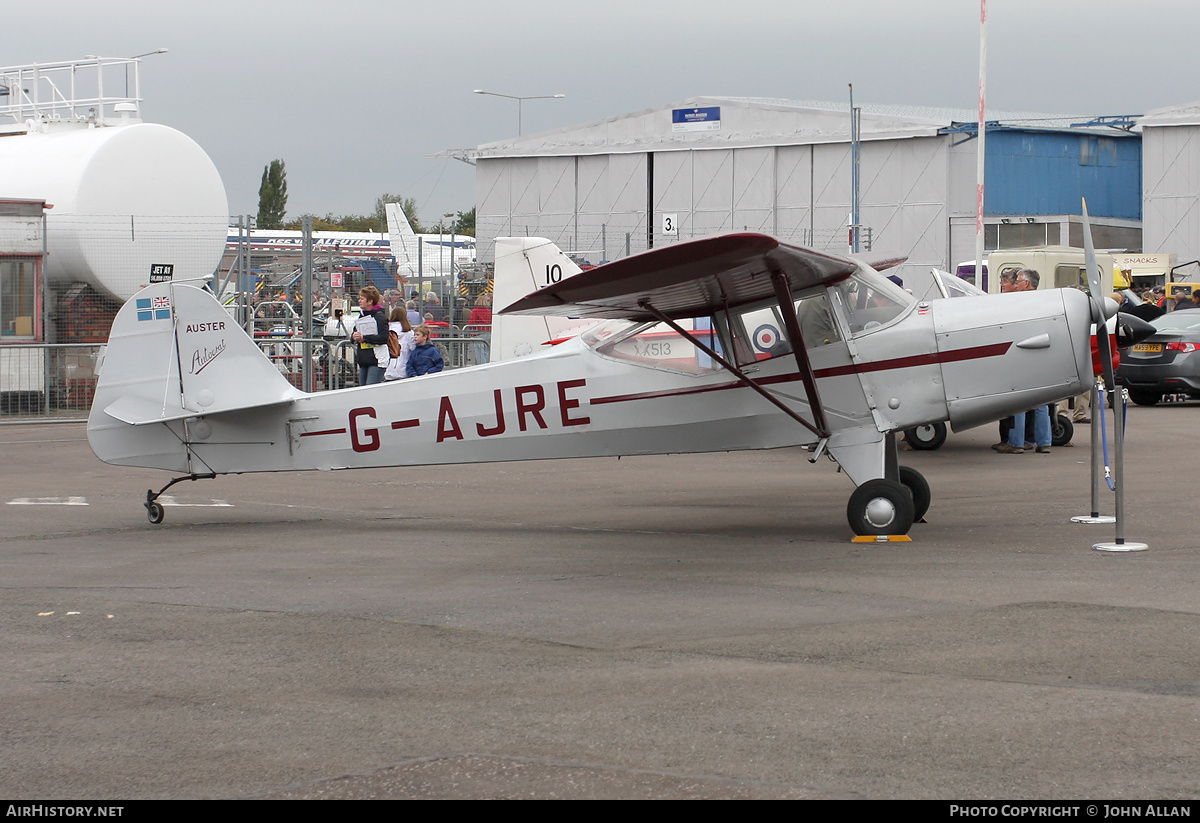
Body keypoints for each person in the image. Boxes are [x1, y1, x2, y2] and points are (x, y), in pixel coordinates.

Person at [351, 285, 388, 386]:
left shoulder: (380, 317)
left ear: (370, 301)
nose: (359, 300)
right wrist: (354, 337)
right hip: (364, 360)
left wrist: (365, 338)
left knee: (370, 389)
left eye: (362, 298)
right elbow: (354, 333)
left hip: (377, 360)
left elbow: (384, 338)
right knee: (363, 391)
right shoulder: (361, 316)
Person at [383, 307, 416, 382]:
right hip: (403, 367)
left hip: (388, 367)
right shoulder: (408, 332)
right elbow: (413, 348)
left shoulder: (386, 329)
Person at [466, 294, 492, 365]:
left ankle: (482, 367)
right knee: (486, 351)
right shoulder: (488, 311)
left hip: (478, 333)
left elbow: (472, 321)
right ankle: (487, 365)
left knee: (479, 352)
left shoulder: (475, 311)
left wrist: (470, 328)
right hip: (488, 332)